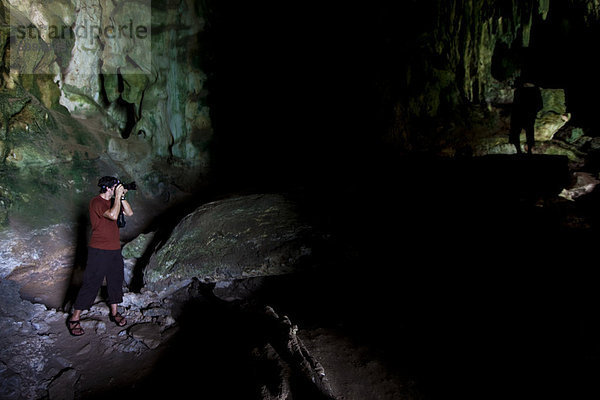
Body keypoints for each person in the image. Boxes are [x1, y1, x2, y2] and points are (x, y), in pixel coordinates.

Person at [67, 176, 134, 336]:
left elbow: (130, 213)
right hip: (99, 250)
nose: (117, 190)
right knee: (91, 283)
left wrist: (121, 196)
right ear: (108, 188)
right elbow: (112, 215)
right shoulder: (96, 202)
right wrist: (117, 197)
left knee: (116, 280)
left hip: (114, 249)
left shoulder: (115, 200)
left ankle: (114, 312)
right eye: (115, 188)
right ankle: (74, 318)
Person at [509, 78, 543, 154]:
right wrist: (534, 112)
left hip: (521, 114)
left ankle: (519, 150)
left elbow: (515, 105)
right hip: (527, 114)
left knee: (518, 131)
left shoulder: (520, 90)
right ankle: (526, 150)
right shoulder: (535, 91)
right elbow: (540, 105)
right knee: (528, 132)